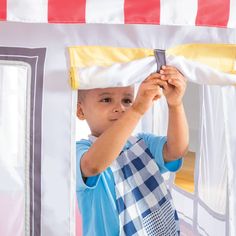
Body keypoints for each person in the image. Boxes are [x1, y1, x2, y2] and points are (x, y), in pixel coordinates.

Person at [76, 65, 189, 236]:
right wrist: (136, 109)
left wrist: (175, 104)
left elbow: (176, 150)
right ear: (80, 110)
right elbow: (93, 166)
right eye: (106, 99)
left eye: (127, 101)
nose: (120, 108)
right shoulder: (82, 151)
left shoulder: (143, 143)